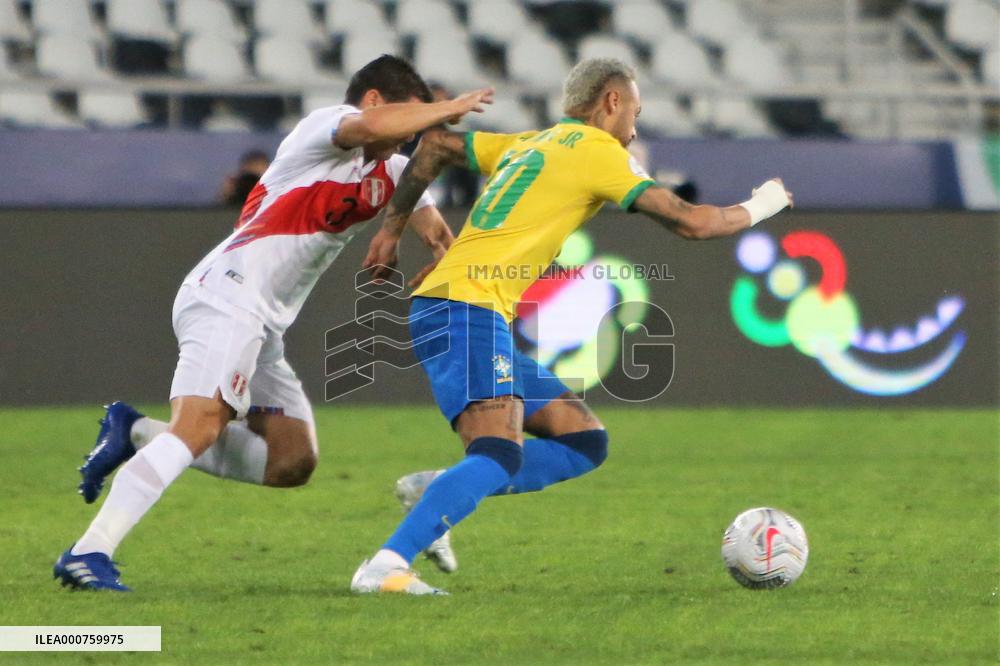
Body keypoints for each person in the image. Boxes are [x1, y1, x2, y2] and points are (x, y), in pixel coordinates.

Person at [352, 58, 793, 595]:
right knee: (497, 452)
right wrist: (765, 203)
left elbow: (438, 145)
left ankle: (438, 490)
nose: (635, 125)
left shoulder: (533, 142)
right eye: (635, 109)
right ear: (611, 102)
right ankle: (386, 565)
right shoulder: (599, 152)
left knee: (583, 441)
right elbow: (694, 222)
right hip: (462, 307)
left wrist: (391, 232)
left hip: (470, 306)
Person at [53, 55, 494, 591]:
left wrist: (446, 269)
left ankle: (137, 432)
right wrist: (447, 107)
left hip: (262, 325)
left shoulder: (394, 170)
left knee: (291, 459)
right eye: (410, 120)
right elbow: (374, 127)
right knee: (198, 425)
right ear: (376, 101)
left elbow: (437, 233)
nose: (408, 139)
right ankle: (88, 552)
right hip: (226, 295)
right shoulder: (322, 129)